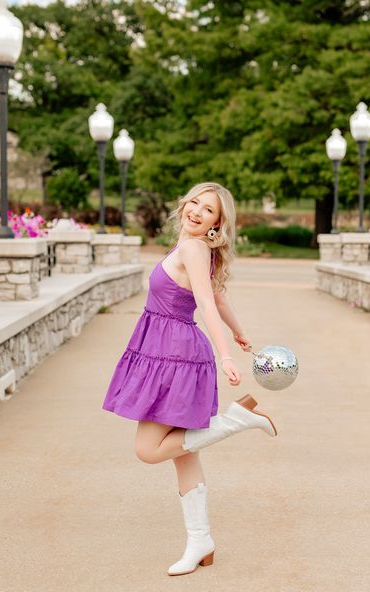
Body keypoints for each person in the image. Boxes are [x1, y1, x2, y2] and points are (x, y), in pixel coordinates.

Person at [102, 181, 277, 576]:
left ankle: (237, 419)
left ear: (218, 223)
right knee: (184, 455)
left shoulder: (192, 248)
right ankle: (201, 541)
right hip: (169, 351)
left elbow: (203, 301)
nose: (197, 211)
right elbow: (218, 296)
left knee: (148, 449)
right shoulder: (196, 247)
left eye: (208, 210)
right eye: (195, 203)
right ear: (184, 205)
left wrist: (227, 353)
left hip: (173, 356)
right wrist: (239, 330)